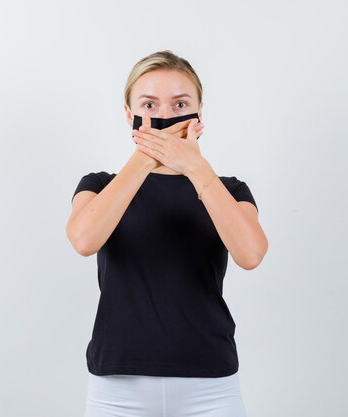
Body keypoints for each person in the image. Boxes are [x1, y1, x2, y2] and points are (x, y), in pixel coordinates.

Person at [66, 50, 269, 417]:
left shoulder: (230, 190)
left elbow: (251, 254)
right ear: (129, 114)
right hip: (117, 388)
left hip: (211, 386)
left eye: (180, 104)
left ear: (199, 112)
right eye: (149, 104)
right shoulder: (98, 185)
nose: (165, 115)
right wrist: (146, 158)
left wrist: (194, 165)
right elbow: (83, 239)